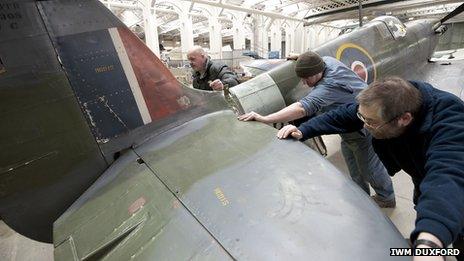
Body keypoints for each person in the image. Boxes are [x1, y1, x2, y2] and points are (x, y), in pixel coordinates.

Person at [277, 77, 464, 260]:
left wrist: (428, 244)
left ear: (404, 119)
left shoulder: (451, 122)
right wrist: (304, 130)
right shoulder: (393, 103)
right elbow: (343, 114)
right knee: (428, 208)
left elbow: (447, 180)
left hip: (455, 188)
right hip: (423, 177)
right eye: (363, 118)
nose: (365, 126)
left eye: (371, 122)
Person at [238, 51, 396, 207]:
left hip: (363, 125)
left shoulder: (329, 86)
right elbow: (315, 58)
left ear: (317, 72)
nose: (304, 83)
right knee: (353, 164)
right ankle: (362, 195)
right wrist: (300, 58)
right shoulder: (327, 61)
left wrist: (265, 118)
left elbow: (301, 108)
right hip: (347, 126)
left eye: (306, 78)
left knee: (368, 168)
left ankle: (386, 197)